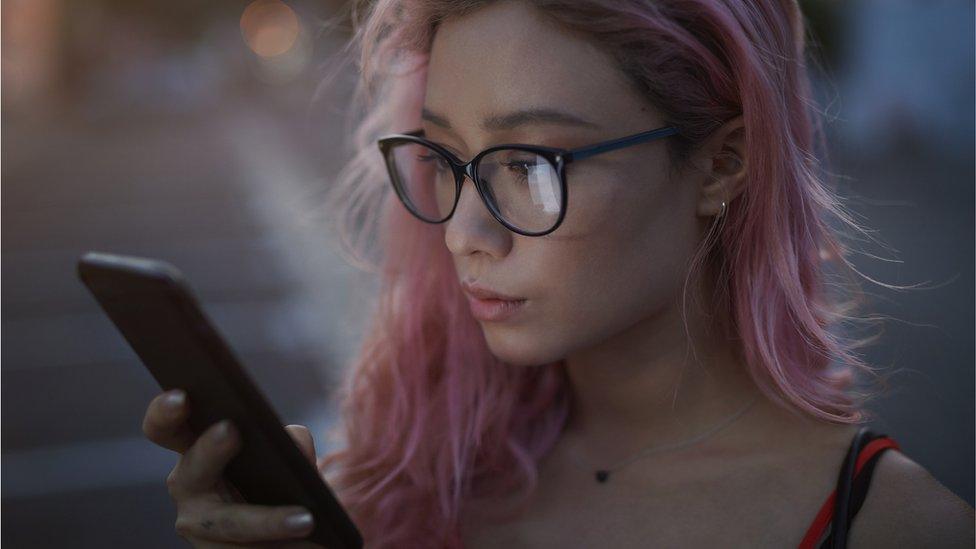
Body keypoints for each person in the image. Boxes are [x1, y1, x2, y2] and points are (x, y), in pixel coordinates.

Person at [141, 0, 975, 547]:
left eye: (530, 164)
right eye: (445, 156)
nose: (464, 234)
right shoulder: (409, 479)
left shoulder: (898, 529)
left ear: (725, 164)